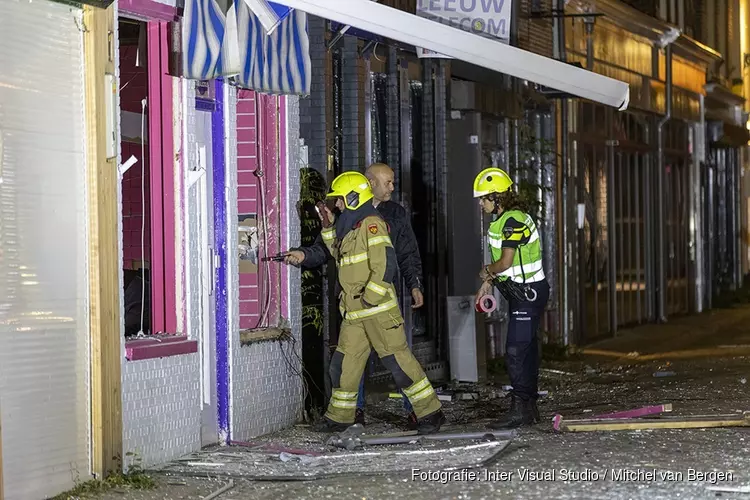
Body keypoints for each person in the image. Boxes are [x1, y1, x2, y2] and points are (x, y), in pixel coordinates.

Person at [296, 170, 445, 434]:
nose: (337, 205)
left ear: (353, 197)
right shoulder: (351, 225)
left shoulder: (371, 224)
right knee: (344, 365)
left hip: (375, 310)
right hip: (355, 311)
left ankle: (430, 414)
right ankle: (340, 417)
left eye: (340, 200)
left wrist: (370, 298)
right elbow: (339, 255)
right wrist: (329, 228)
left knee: (399, 363)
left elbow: (385, 264)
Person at [473, 167, 550, 429]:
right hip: (522, 293)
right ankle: (529, 407)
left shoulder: (512, 220)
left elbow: (504, 262)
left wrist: (486, 271)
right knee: (526, 349)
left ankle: (520, 408)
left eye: (483, 199)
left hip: (528, 294)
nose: (481, 204)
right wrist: (486, 284)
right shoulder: (505, 219)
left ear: (498, 198)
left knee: (516, 350)